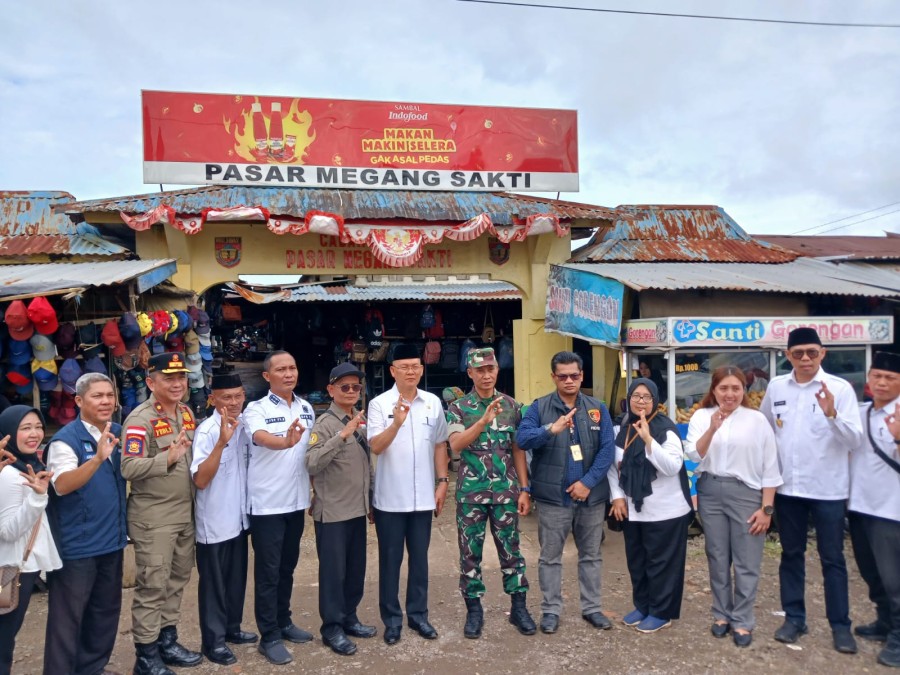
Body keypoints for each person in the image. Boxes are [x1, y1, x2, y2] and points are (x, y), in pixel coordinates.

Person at [760, 327, 863, 654]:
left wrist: (832, 414)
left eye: (812, 353)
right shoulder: (776, 387)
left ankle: (840, 626)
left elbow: (854, 441)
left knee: (832, 558)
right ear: (788, 355)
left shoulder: (840, 389)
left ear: (823, 354)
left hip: (828, 490)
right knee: (791, 555)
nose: (805, 359)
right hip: (788, 490)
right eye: (798, 353)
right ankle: (794, 618)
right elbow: (765, 431)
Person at [515, 351, 615, 635]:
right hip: (553, 498)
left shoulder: (598, 408)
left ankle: (592, 608)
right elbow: (522, 439)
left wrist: (588, 482)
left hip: (590, 497)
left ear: (582, 375)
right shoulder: (539, 408)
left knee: (591, 555)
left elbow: (607, 448)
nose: (569, 380)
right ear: (553, 377)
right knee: (550, 556)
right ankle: (550, 610)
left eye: (574, 375)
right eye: (563, 376)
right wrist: (550, 429)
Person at [685, 366, 782, 647]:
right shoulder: (702, 417)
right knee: (717, 556)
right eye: (723, 388)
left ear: (744, 391)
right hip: (711, 490)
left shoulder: (757, 420)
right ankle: (721, 615)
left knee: (747, 560)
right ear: (714, 390)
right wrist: (713, 428)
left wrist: (766, 509)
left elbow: (770, 467)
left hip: (747, 494)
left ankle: (742, 620)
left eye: (735, 388)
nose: (729, 394)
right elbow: (693, 454)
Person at [121, 352, 203, 675]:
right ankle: (146, 655)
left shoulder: (185, 413)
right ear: (151, 381)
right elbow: (129, 467)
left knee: (177, 579)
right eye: (169, 378)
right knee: (152, 584)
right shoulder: (139, 420)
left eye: (181, 377)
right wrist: (167, 459)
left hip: (185, 513)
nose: (178, 383)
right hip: (154, 518)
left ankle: (167, 641)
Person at [445, 347, 536, 639]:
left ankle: (519, 608)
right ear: (470, 373)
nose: (486, 375)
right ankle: (474, 611)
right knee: (470, 555)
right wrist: (482, 421)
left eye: (490, 369)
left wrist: (524, 489)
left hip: (506, 495)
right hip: (471, 496)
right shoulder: (459, 408)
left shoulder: (512, 406)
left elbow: (518, 450)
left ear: (497, 371)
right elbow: (456, 445)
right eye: (479, 370)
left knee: (511, 553)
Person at [43, 373, 126, 675]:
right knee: (68, 619)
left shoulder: (118, 430)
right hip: (78, 545)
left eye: (109, 395)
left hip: (112, 540)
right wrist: (95, 459)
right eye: (97, 396)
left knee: (104, 612)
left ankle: (92, 668)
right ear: (79, 401)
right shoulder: (66, 440)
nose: (106, 402)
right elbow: (62, 485)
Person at [367, 343, 450, 646]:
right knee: (390, 560)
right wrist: (397, 423)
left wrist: (442, 481)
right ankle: (392, 619)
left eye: (416, 366)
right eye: (405, 367)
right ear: (393, 371)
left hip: (423, 499)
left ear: (421, 369)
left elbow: (440, 443)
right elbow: (375, 446)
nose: (411, 371)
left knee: (420, 559)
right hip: (390, 498)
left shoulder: (432, 402)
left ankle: (418, 615)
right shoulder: (378, 404)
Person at [242, 350, 316, 666]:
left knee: (287, 566)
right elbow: (259, 438)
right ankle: (269, 635)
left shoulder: (307, 408)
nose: (289, 374)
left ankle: (284, 621)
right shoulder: (255, 409)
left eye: (293, 368)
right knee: (268, 572)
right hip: (267, 504)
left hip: (296, 501)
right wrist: (284, 442)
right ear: (267, 376)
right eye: (281, 369)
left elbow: (312, 450)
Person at [608, 377, 692, 634]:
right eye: (636, 396)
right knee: (638, 561)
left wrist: (648, 440)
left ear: (655, 401)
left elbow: (672, 466)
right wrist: (617, 497)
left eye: (646, 397)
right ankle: (642, 606)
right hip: (634, 510)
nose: (640, 401)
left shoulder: (665, 429)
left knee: (662, 563)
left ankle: (661, 612)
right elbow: (614, 467)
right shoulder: (623, 426)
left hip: (666, 511)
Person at [305, 362, 377, 656]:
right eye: (344, 387)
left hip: (357, 510)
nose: (351, 391)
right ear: (331, 390)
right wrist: (342, 435)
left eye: (356, 387)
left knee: (355, 570)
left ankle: (349, 617)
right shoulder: (325, 424)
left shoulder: (359, 418)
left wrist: (370, 501)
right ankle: (331, 628)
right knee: (334, 575)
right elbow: (311, 462)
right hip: (333, 512)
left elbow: (365, 466)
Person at [191, 373, 257, 666]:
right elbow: (201, 480)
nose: (233, 403)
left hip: (239, 518)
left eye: (238, 396)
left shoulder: (245, 426)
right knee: (214, 585)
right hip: (214, 521)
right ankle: (213, 642)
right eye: (226, 397)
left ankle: (232, 628)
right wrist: (220, 443)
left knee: (235, 578)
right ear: (213, 399)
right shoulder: (207, 431)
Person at [847, 351, 900, 668]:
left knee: (895, 579)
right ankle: (883, 621)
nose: (881, 382)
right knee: (871, 573)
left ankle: (898, 636)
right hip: (859, 506)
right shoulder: (861, 411)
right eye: (877, 376)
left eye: (890, 378)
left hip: (891, 511)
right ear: (868, 379)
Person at [0, 407, 60, 675]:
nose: (34, 434)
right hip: (12, 569)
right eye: (25, 428)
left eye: (38, 426)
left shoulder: (26, 467)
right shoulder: (11, 476)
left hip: (19, 566)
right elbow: (8, 531)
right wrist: (38, 498)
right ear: (10, 433)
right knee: (3, 642)